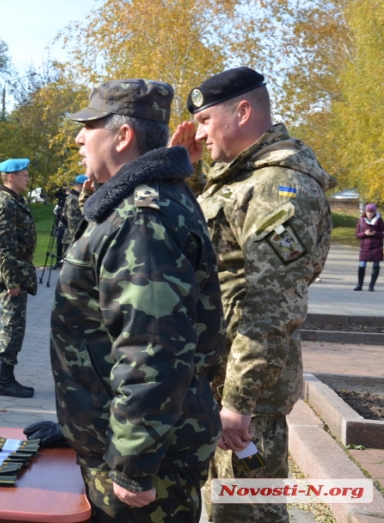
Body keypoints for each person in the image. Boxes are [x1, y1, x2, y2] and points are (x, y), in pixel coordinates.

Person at [52, 79, 225, 522]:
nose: (78, 138)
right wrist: (78, 427)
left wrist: (132, 465)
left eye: (89, 126)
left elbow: (152, 349)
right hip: (141, 439)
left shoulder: (140, 219)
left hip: (151, 457)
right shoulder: (142, 203)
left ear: (123, 136)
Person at [171, 66, 336, 523]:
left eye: (205, 120)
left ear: (243, 111)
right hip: (217, 380)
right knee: (220, 505)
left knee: (244, 513)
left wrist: (238, 404)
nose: (199, 133)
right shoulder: (240, 178)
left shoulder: (280, 189)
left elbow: (271, 308)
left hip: (245, 398)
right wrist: (181, 175)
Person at [0, 158, 37, 399]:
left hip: (16, 272)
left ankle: (8, 378)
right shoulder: (5, 203)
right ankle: (5, 381)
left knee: (16, 325)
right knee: (12, 326)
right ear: (11, 177)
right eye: (24, 175)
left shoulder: (13, 200)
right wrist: (12, 281)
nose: (28, 178)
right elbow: (3, 247)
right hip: (12, 275)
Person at [354, 203, 383, 291]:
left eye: (371, 212)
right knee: (362, 265)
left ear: (374, 212)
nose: (369, 213)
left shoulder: (379, 220)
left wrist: (376, 233)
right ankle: (360, 285)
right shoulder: (361, 221)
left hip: (377, 246)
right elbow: (357, 234)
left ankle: (371, 285)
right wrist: (365, 233)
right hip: (365, 247)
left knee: (376, 265)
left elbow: (383, 233)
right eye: (368, 212)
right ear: (365, 212)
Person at [61, 175, 86, 254]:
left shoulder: (76, 198)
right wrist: (78, 241)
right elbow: (73, 223)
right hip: (72, 241)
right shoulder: (73, 199)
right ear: (81, 185)